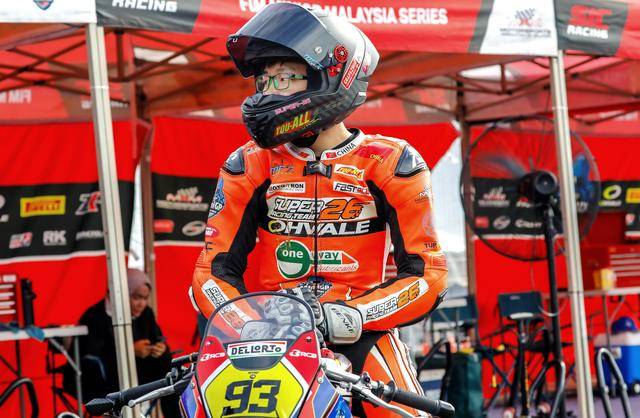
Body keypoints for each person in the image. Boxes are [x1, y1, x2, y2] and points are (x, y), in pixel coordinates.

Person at [191, 4, 448, 417]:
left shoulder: (389, 162)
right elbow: (211, 273)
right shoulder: (250, 163)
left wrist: (353, 315)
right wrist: (247, 324)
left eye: (284, 77)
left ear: (331, 74)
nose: (267, 91)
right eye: (264, 79)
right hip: (270, 338)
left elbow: (428, 276)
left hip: (363, 333)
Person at [73, 269, 180, 418]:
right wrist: (130, 350)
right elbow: (91, 356)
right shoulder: (94, 316)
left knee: (171, 374)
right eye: (137, 297)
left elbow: (158, 338)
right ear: (122, 294)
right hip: (103, 378)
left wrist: (160, 349)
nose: (141, 304)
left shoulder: (146, 313)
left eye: (145, 298)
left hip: (136, 373)